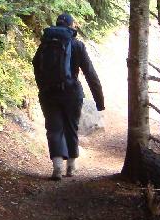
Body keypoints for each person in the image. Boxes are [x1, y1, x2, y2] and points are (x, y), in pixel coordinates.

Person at [32, 13, 105, 180]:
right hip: (72, 92)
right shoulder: (77, 45)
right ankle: (71, 167)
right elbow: (90, 74)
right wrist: (99, 101)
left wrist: (42, 87)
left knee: (54, 128)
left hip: (49, 93)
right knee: (71, 127)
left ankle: (57, 167)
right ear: (71, 26)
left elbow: (36, 65)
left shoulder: (45, 45)